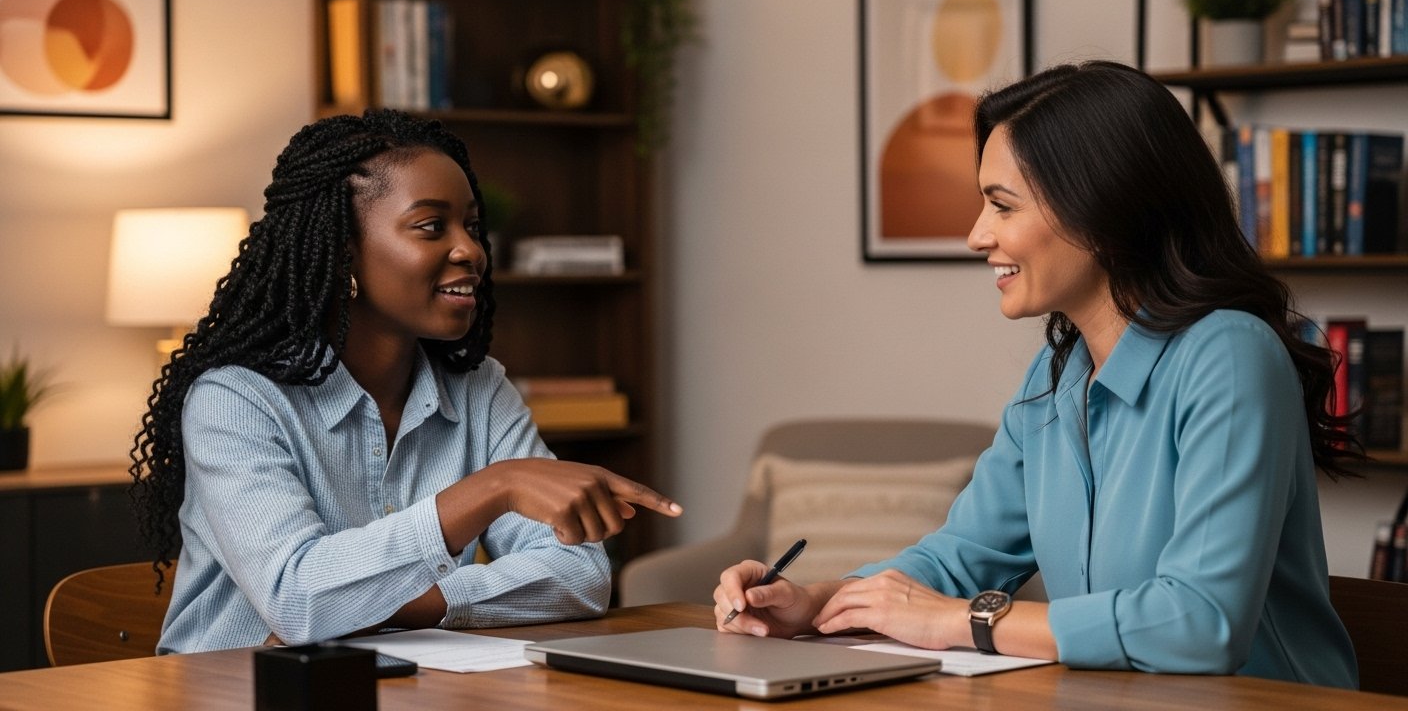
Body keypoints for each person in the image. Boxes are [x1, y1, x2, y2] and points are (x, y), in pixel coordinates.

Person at [714, 60, 1363, 688]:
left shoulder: (1228, 355)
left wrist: (957, 623)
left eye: (1001, 205)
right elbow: (961, 556)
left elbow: (1200, 623)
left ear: (1102, 210)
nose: (975, 235)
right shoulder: (1056, 377)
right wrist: (817, 603)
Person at [129, 109, 682, 654]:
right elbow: (297, 597)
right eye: (431, 226)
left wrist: (384, 612)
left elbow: (580, 573)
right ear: (344, 250)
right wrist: (492, 488)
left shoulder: (478, 390)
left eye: (470, 224)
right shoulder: (237, 400)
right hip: (230, 693)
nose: (470, 250)